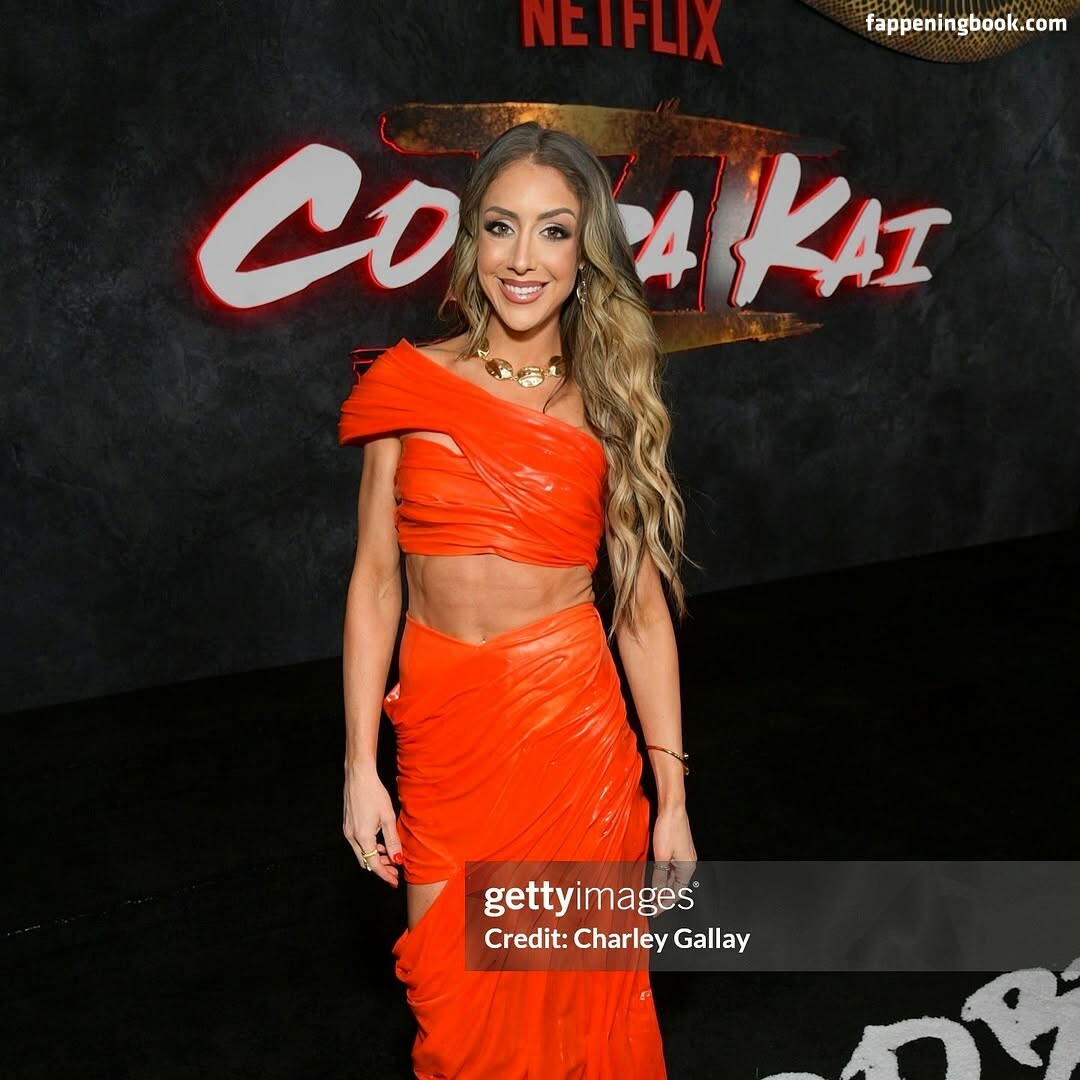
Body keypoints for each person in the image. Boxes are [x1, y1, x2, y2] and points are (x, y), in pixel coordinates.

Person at [338, 121, 696, 1079]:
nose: (523, 258)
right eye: (501, 227)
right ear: (472, 241)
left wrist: (672, 797)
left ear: (585, 255)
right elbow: (375, 581)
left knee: (577, 1017)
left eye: (553, 231)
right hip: (444, 736)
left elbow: (641, 614)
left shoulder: (608, 401)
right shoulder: (407, 385)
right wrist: (359, 765)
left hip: (570, 738)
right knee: (457, 1023)